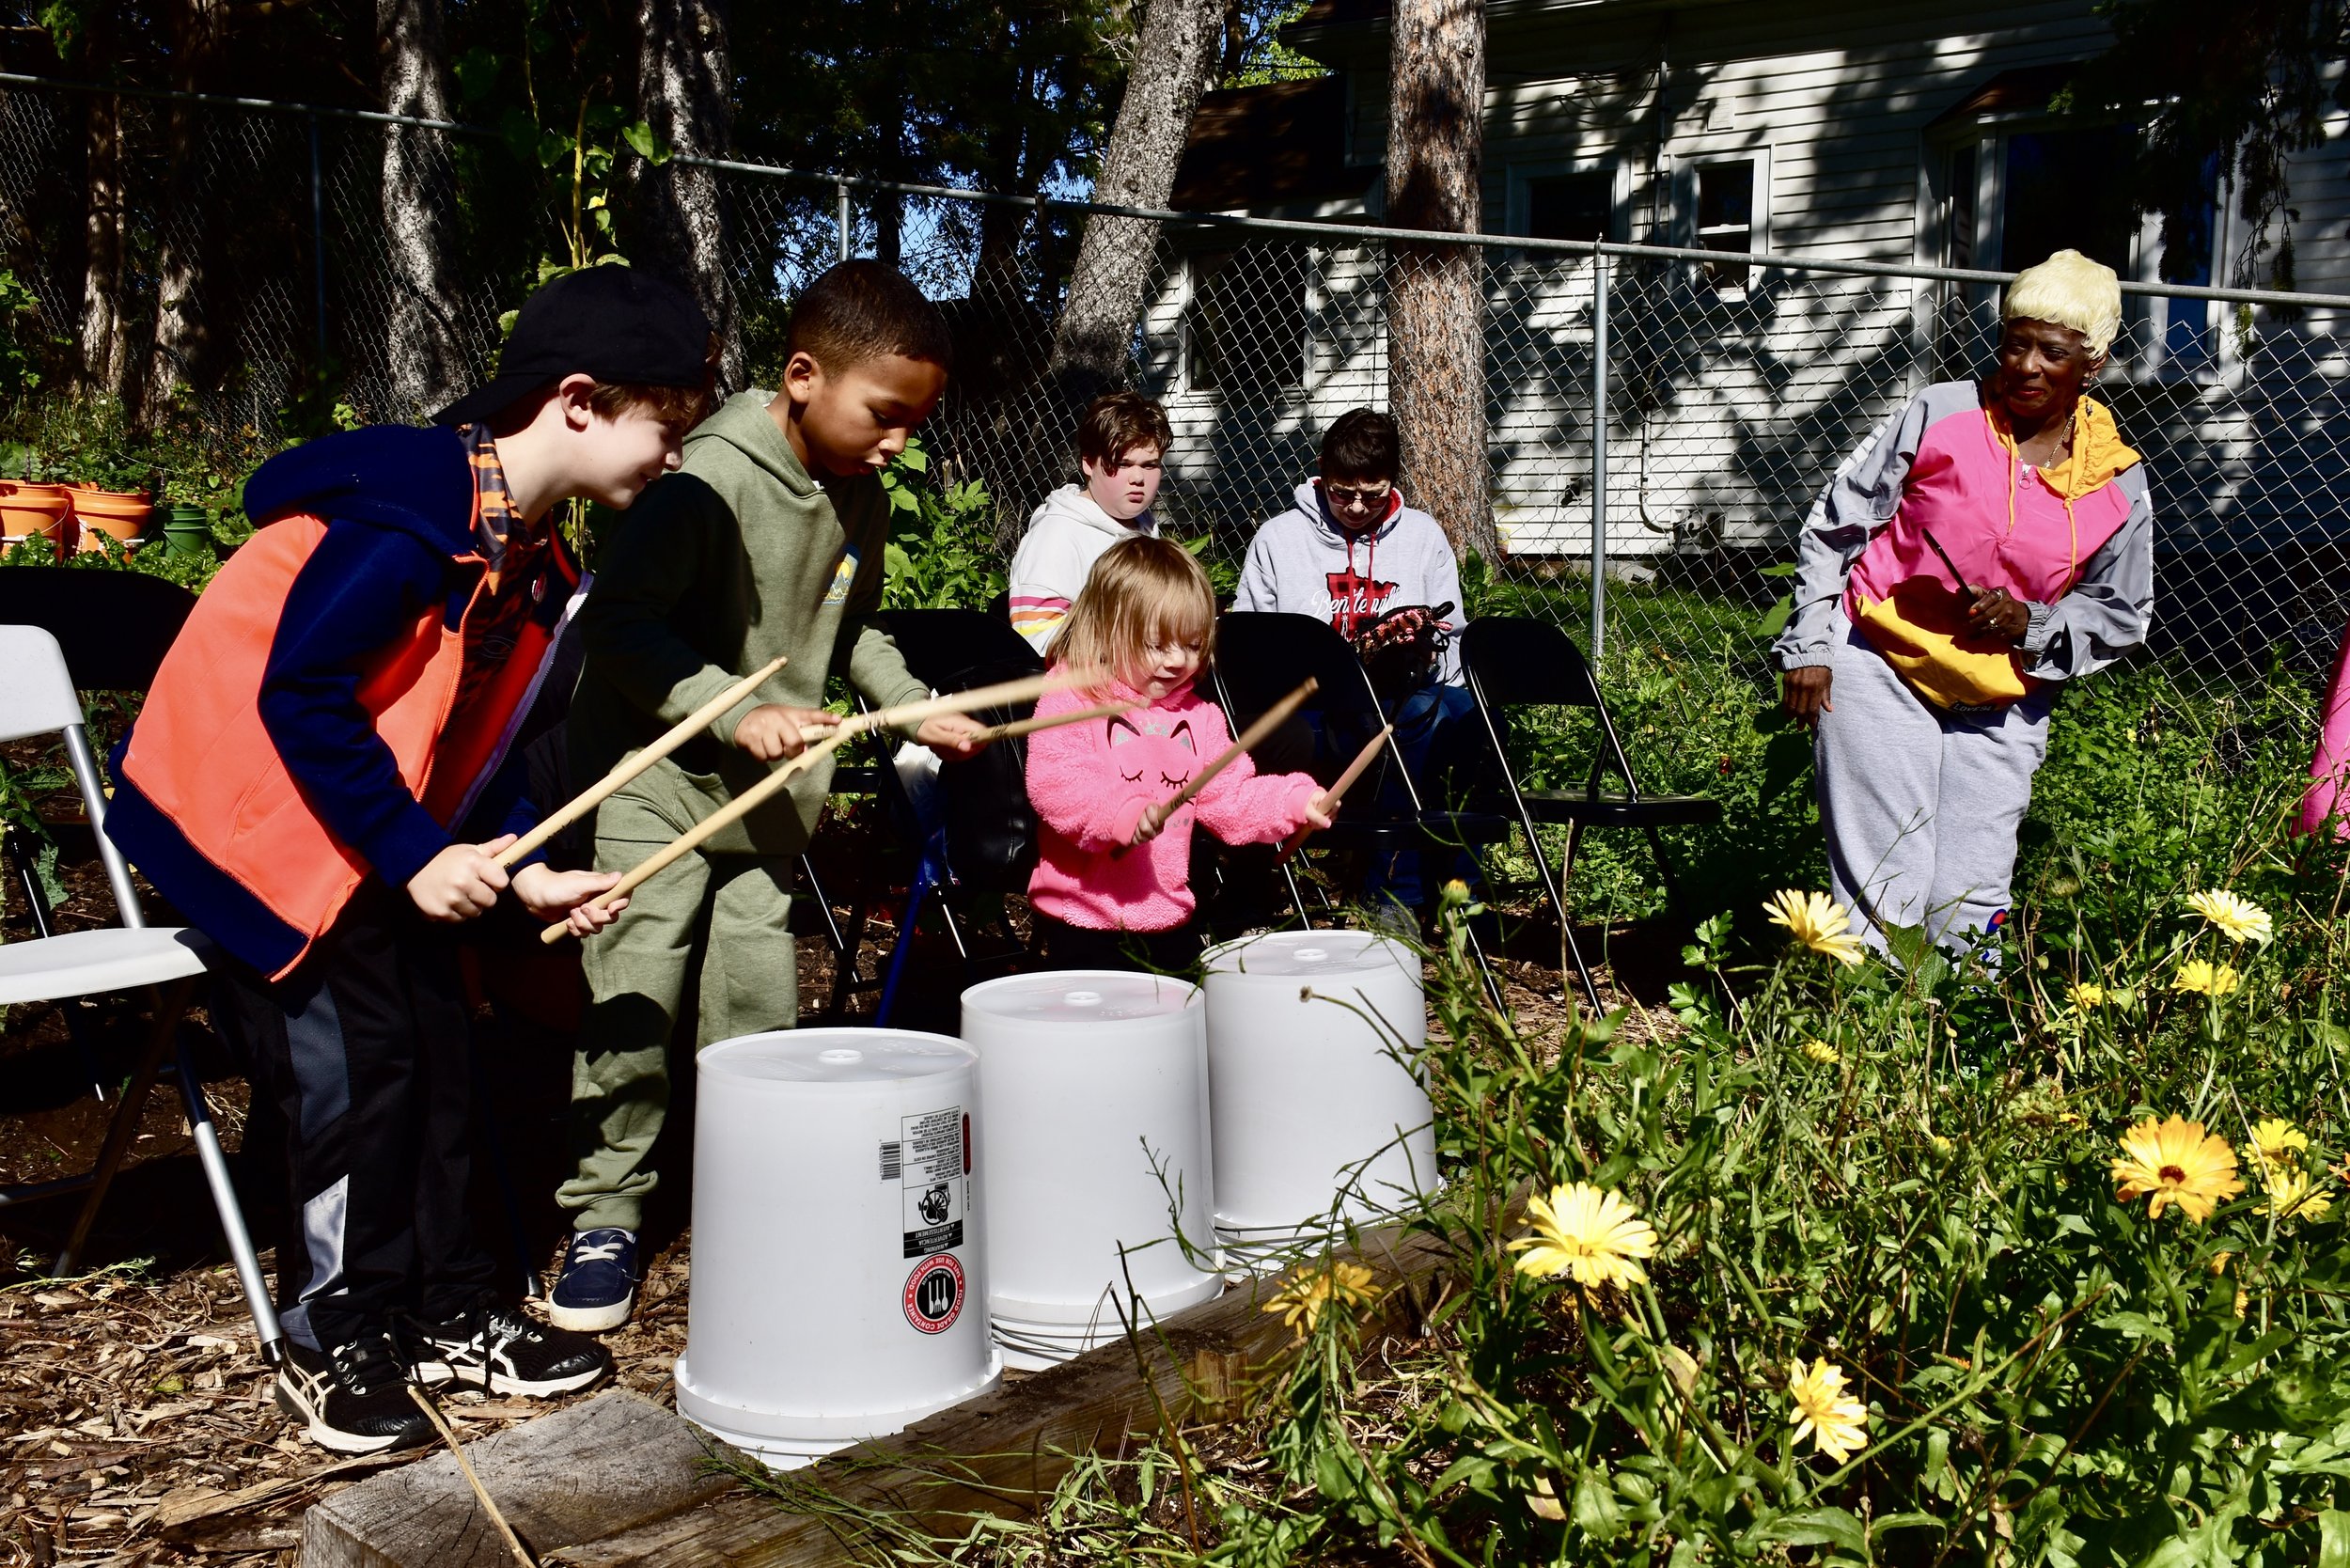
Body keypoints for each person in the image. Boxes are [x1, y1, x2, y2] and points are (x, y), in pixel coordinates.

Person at [103, 265, 716, 1454]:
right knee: (355, 1075)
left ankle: (446, 1310)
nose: (674, 456)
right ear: (580, 402)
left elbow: (459, 732)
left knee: (441, 1050)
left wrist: (509, 864)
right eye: (667, 426)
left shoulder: (528, 558)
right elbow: (305, 694)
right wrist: (409, 852)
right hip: (256, 833)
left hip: (363, 832)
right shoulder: (410, 516)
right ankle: (336, 1329)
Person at [550, 260, 989, 1331]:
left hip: (766, 804)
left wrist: (909, 707)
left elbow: (856, 632)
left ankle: (760, 1198)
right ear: (802, 375)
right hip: (654, 783)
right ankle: (605, 1211)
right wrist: (729, 708)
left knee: (756, 1012)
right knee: (637, 999)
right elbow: (617, 627)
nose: (899, 443)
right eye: (886, 415)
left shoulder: (861, 498)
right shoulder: (702, 482)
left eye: (914, 422)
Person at [1774, 248, 2154, 954]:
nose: (2028, 366)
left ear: (2093, 364)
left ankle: (1957, 1048)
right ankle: (1869, 1043)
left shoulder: (2116, 481)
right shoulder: (1942, 414)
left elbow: (2121, 614)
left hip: (2003, 701)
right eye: (2016, 344)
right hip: (1881, 666)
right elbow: (1836, 525)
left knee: (1973, 895)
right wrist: (1810, 646)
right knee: (1887, 874)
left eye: (2053, 352)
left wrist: (2032, 622)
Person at [1026, 536, 1332, 971]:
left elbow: (1230, 797)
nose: (1177, 661)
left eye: (1191, 645)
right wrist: (1120, 813)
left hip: (1168, 912)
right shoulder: (1073, 698)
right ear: (1108, 628)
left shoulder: (1200, 717)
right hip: (1082, 916)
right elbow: (1057, 783)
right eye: (1157, 644)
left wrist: (1296, 802)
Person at [1233, 408, 1472, 923]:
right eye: (1342, 493)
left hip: (1406, 691)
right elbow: (1248, 643)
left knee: (1461, 714)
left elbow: (1456, 639)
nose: (1357, 507)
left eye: (1374, 493)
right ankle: (1396, 895)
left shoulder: (1424, 537)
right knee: (1411, 721)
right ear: (1321, 473)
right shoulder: (1277, 540)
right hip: (1312, 706)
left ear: (1394, 482)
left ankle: (1456, 890)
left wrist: (1424, 642)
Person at [1007, 389, 1171, 651]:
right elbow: (1036, 641)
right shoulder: (1058, 533)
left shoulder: (1144, 526)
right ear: (1088, 463)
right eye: (1123, 464)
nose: (1138, 478)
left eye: (1150, 465)